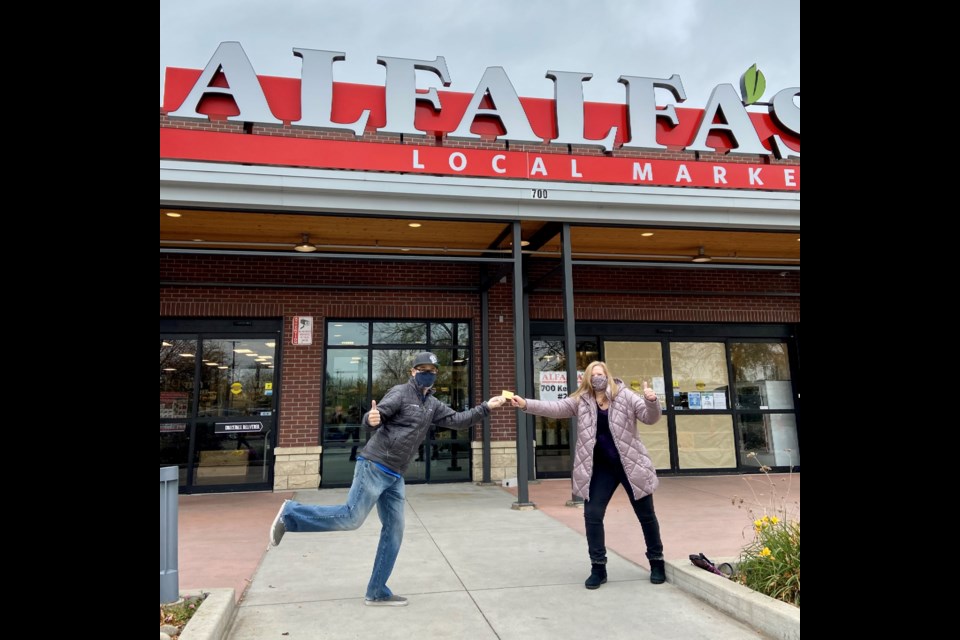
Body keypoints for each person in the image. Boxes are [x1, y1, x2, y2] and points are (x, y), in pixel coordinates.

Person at [269, 351, 508, 606]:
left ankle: (377, 591)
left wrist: (486, 407)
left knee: (394, 530)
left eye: (432, 370)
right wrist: (371, 419)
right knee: (351, 517)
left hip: (395, 474)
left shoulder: (432, 404)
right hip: (374, 465)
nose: (427, 373)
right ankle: (291, 514)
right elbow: (376, 416)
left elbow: (458, 421)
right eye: (422, 369)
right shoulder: (400, 393)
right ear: (412, 372)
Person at [510, 361, 667, 587]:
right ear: (587, 379)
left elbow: (649, 418)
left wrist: (652, 402)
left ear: (608, 376)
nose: (597, 378)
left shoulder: (625, 396)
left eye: (600, 374)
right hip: (600, 468)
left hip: (630, 465)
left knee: (646, 515)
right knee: (592, 514)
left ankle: (656, 562)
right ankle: (598, 568)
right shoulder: (581, 401)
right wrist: (526, 404)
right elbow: (554, 408)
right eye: (593, 375)